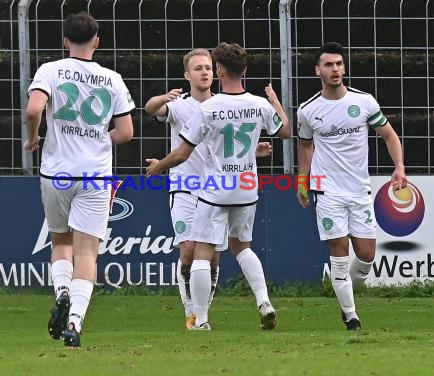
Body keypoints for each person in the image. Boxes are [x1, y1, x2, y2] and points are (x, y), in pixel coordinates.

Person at [146, 42, 291, 330]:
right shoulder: (258, 104)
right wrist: (274, 100)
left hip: (215, 187)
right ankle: (264, 301)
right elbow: (286, 130)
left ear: (220, 70)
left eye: (210, 67)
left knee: (203, 251)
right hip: (247, 186)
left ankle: (199, 319)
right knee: (243, 248)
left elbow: (184, 152)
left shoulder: (209, 108)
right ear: (245, 69)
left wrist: (159, 166)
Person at [24, 11, 135, 348]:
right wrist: (99, 139)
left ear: (65, 41)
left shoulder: (50, 70)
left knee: (60, 243)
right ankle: (75, 322)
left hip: (56, 172)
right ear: (97, 42)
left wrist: (33, 137)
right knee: (88, 253)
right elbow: (127, 132)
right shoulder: (112, 78)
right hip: (96, 175)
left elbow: (33, 110)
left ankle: (61, 292)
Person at [296, 41, 406, 330]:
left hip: (359, 190)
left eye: (339, 64)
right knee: (339, 251)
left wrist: (399, 167)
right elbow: (305, 148)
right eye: (329, 65)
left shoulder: (364, 102)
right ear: (317, 70)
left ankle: (343, 290)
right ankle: (351, 316)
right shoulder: (308, 111)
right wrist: (302, 181)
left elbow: (390, 136)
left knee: (367, 256)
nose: (335, 69)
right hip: (327, 190)